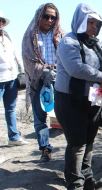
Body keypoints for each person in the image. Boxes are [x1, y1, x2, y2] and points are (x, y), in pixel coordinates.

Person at [54, 3, 102, 190]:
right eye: (90, 22)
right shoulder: (68, 42)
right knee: (77, 143)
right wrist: (101, 77)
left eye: (97, 24)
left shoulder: (97, 43)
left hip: (93, 100)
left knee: (89, 141)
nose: (94, 27)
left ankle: (87, 180)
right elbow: (75, 68)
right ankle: (74, 184)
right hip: (70, 100)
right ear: (80, 22)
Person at [22, 3, 65, 161]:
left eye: (53, 17)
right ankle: (45, 148)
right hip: (38, 80)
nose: (49, 20)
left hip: (59, 78)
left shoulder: (61, 35)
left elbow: (68, 56)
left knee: (64, 114)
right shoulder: (30, 36)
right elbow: (27, 58)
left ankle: (72, 149)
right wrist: (42, 71)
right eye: (46, 16)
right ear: (39, 16)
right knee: (40, 117)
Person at [0, 10, 29, 146]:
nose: (0, 23)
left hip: (11, 78)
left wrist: (22, 70)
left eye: (1, 20)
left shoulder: (7, 35)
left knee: (10, 108)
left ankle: (14, 137)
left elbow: (15, 53)